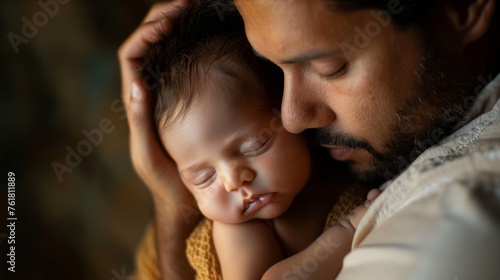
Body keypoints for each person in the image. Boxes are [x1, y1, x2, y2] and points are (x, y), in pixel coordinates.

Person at [118, 0, 500, 279]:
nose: (291, 118)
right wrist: (172, 203)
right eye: (276, 71)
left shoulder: (456, 213)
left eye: (327, 67)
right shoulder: (332, 158)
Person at [140, 3, 380, 279]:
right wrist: (348, 233)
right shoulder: (239, 228)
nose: (233, 182)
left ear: (291, 116)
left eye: (255, 146)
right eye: (203, 177)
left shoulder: (345, 162)